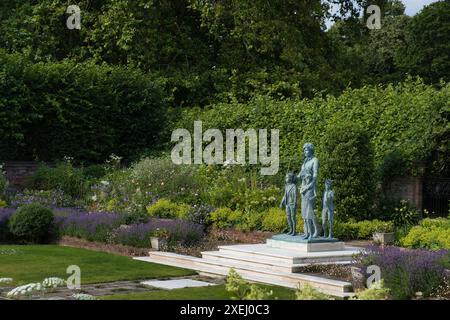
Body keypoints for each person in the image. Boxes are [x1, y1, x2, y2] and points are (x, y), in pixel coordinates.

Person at [298, 143, 319, 240]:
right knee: (304, 211)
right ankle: (307, 232)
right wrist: (293, 177)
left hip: (310, 189)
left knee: (309, 211)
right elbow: (300, 176)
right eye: (304, 150)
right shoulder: (304, 163)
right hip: (303, 189)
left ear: (311, 150)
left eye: (306, 150)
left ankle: (316, 231)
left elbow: (315, 175)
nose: (305, 152)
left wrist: (308, 186)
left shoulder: (315, 160)